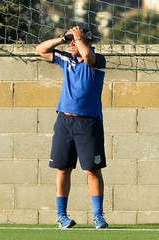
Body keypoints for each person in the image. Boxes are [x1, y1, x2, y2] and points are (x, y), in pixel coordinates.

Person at [36, 26, 108, 229]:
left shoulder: (97, 60)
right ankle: (62, 216)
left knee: (92, 170)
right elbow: (40, 49)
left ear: (88, 42)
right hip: (65, 121)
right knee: (63, 168)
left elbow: (87, 56)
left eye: (78, 40)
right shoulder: (66, 59)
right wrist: (62, 38)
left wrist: (80, 38)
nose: (73, 44)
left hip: (89, 122)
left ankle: (98, 216)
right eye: (72, 41)